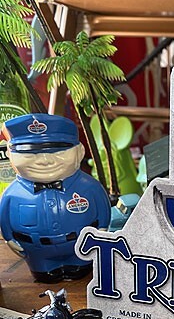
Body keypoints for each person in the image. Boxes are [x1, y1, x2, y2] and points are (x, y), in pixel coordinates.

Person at [0, 113, 111, 282]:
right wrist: (9, 239)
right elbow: (4, 218)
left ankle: (78, 264)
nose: (45, 161)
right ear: (10, 154)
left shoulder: (89, 186)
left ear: (80, 152)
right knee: (44, 274)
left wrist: (102, 229)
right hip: (37, 252)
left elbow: (103, 209)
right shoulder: (12, 194)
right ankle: (44, 268)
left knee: (81, 271)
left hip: (80, 247)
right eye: (30, 155)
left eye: (58, 153)